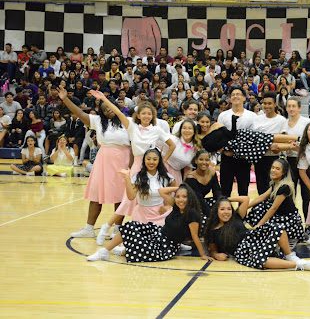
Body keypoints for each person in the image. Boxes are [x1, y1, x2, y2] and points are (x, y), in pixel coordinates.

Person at [91, 90, 175, 244]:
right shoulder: (131, 126)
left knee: (145, 202)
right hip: (137, 167)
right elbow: (117, 111)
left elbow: (171, 145)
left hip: (152, 166)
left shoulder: (157, 130)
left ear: (153, 115)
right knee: (128, 201)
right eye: (143, 113)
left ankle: (138, 230)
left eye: (149, 114)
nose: (146, 116)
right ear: (139, 115)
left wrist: (162, 161)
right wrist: (104, 98)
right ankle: (108, 227)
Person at [59, 88, 132, 239]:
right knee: (96, 195)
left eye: (109, 107)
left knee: (120, 196)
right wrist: (65, 99)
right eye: (104, 110)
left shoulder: (128, 121)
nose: (108, 111)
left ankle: (117, 229)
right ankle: (89, 228)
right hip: (103, 161)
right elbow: (80, 113)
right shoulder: (98, 121)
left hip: (123, 161)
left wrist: (131, 165)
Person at [87, 183, 209, 262]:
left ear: (190, 198)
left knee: (141, 248)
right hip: (158, 233)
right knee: (130, 226)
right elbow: (161, 191)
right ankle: (104, 252)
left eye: (184, 196)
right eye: (178, 196)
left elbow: (195, 236)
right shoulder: (176, 206)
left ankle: (120, 251)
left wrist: (202, 255)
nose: (180, 199)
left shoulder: (192, 214)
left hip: (166, 246)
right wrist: (182, 188)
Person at [206, 198, 310, 271]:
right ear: (216, 211)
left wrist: (225, 199)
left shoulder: (236, 216)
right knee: (261, 260)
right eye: (222, 209)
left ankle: (290, 256)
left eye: (229, 209)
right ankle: (299, 265)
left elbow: (245, 199)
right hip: (242, 251)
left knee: (278, 228)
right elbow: (213, 250)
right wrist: (216, 255)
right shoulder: (213, 231)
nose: (226, 212)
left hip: (253, 237)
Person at [244, 159, 305, 245]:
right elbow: (261, 197)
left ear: (283, 172)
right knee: (259, 206)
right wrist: (244, 207)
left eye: (277, 169)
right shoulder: (275, 183)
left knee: (266, 212)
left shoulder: (284, 187)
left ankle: (290, 238)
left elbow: (274, 208)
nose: (273, 170)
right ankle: (263, 234)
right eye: (272, 167)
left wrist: (260, 224)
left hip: (288, 219)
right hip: (278, 215)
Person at [283, 97, 310, 229]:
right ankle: (293, 224)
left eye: (294, 106)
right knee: (290, 193)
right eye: (289, 106)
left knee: (306, 194)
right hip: (289, 161)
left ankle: (309, 224)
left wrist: (297, 148)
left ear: (299, 108)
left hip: (305, 160)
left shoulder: (307, 122)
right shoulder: (283, 123)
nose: (291, 109)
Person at [184, 150, 222, 221]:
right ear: (196, 161)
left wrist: (222, 204)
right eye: (201, 159)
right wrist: (212, 217)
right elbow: (198, 200)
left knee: (223, 206)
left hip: (201, 201)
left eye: (207, 160)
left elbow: (217, 191)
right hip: (190, 205)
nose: (204, 162)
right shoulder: (191, 178)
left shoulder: (212, 172)